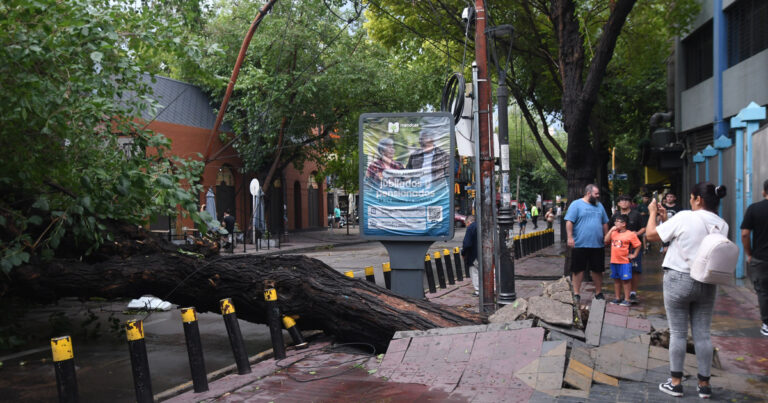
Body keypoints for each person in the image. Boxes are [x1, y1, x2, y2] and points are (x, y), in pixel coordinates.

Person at [646, 182, 728, 398]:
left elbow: (652, 235)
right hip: (707, 282)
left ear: (698, 199)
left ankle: (675, 383)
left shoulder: (685, 216)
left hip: (678, 279)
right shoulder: (722, 224)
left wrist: (653, 214)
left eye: (692, 198)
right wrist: (667, 219)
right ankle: (704, 386)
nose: (691, 201)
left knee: (678, 333)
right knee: (702, 334)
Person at [565, 184, 609, 303]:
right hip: (580, 243)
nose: (598, 196)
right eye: (596, 194)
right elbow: (569, 221)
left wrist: (607, 236)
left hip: (597, 244)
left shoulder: (599, 206)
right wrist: (569, 237)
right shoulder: (576, 204)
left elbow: (605, 222)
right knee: (578, 269)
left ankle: (599, 293)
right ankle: (577, 293)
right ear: (588, 193)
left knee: (598, 270)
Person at [741, 179, 768, 337]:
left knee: (763, 292)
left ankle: (767, 324)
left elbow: (745, 234)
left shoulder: (754, 209)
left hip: (760, 258)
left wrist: (749, 253)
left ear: (764, 192)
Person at [609, 194, 645, 304]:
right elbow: (611, 229)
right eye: (622, 201)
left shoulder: (636, 214)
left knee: (635, 269)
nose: (624, 202)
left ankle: (632, 293)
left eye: (626, 200)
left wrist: (637, 233)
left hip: (633, 246)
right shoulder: (615, 216)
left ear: (630, 203)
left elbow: (644, 227)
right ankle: (620, 296)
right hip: (619, 248)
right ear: (618, 203)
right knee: (620, 271)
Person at [604, 214, 641, 307]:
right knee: (616, 280)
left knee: (626, 280)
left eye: (617, 221)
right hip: (614, 260)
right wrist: (611, 230)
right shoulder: (614, 233)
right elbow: (606, 240)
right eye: (615, 221)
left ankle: (627, 299)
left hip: (624, 261)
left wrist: (634, 254)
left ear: (624, 224)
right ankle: (617, 297)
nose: (615, 223)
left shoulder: (630, 234)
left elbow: (638, 245)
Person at [461, 215, 479, 296]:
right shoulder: (481, 225)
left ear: (468, 222)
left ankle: (478, 291)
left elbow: (467, 244)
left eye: (465, 224)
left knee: (474, 272)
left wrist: (463, 253)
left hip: (474, 255)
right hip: (485, 253)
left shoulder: (470, 228)